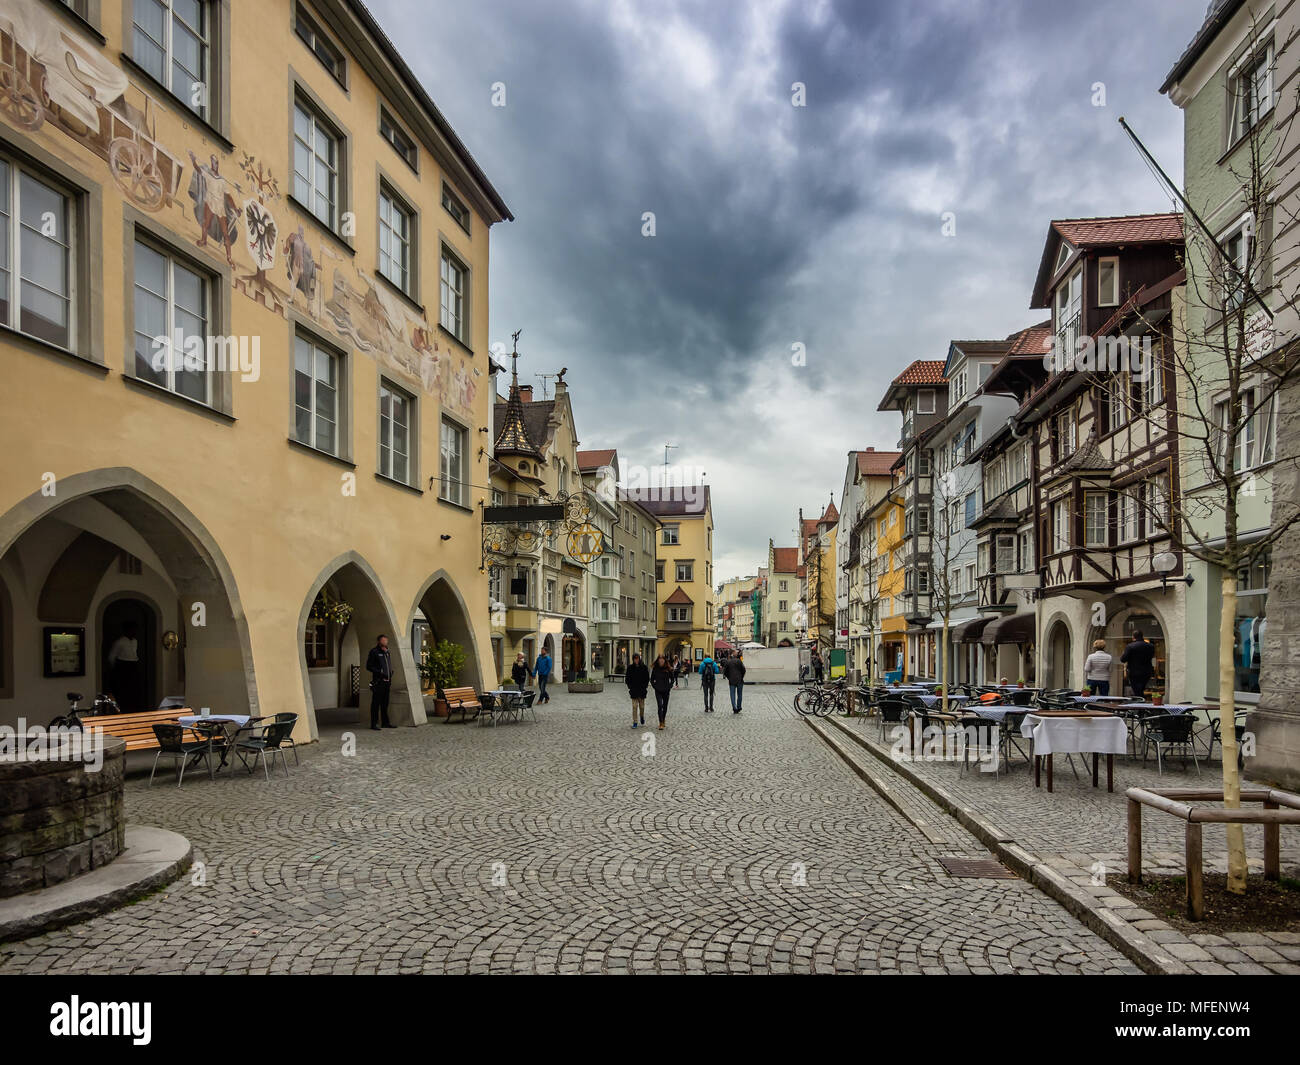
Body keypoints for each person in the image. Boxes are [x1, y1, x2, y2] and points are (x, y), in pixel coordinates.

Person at [106, 621, 141, 712]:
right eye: (132, 630)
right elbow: (111, 657)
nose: (134, 632)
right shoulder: (120, 642)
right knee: (123, 690)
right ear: (126, 630)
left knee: (134, 690)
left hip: (133, 665)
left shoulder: (135, 641)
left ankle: (133, 708)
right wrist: (116, 669)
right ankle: (123, 709)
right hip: (123, 667)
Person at [365, 634, 395, 730]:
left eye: (386, 640)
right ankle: (374, 723)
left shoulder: (387, 652)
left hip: (387, 682)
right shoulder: (374, 652)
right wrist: (380, 672)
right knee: (376, 703)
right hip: (379, 681)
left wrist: (390, 673)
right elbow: (369, 666)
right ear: (379, 641)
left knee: (385, 703)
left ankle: (385, 722)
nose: (385, 642)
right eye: (383, 640)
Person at [1121, 630, 1156, 699]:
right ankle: (1141, 702)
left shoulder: (1130, 646)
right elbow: (1152, 656)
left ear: (1133, 637)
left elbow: (1123, 659)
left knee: (1137, 691)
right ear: (1142, 636)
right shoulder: (1150, 646)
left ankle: (1141, 703)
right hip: (1146, 671)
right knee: (1140, 689)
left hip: (1134, 672)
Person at [650, 654, 675, 729]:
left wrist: (669, 686)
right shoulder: (655, 668)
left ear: (664, 660)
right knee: (660, 705)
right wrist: (655, 686)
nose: (661, 660)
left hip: (666, 690)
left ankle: (663, 719)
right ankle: (660, 722)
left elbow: (672, 679)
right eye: (660, 659)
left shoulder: (668, 668)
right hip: (658, 690)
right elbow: (651, 679)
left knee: (665, 706)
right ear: (658, 660)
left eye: (662, 659)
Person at [625, 652, 649, 728]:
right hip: (634, 690)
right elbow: (627, 678)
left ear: (639, 659)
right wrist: (630, 687)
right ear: (633, 659)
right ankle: (635, 722)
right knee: (634, 706)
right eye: (635, 659)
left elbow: (647, 678)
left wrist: (645, 686)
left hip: (642, 690)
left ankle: (642, 716)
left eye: (637, 658)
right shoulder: (630, 668)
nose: (636, 660)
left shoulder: (644, 667)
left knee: (642, 707)